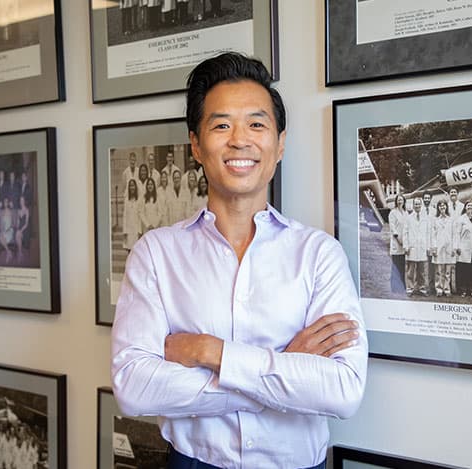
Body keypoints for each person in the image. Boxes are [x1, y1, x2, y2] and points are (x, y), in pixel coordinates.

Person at [111, 52, 366, 469]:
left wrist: (208, 351)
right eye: (221, 125)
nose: (240, 140)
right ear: (196, 145)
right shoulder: (156, 253)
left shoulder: (319, 254)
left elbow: (343, 390)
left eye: (257, 124)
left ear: (280, 144)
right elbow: (134, 388)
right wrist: (284, 369)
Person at [404, 197, 430, 296]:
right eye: (415, 204)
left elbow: (428, 233)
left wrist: (428, 247)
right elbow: (405, 232)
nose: (417, 206)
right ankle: (410, 288)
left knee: (422, 270)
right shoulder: (409, 218)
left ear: (421, 205)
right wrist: (406, 246)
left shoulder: (425, 218)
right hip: (412, 246)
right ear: (413, 205)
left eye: (419, 204)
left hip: (422, 247)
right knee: (411, 270)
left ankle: (422, 288)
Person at [454, 201, 472, 298]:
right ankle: (463, 290)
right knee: (463, 269)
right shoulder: (461, 219)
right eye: (468, 205)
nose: (470, 207)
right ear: (465, 207)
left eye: (471, 206)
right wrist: (457, 246)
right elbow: (457, 233)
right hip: (463, 247)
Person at [431, 200, 455, 296]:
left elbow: (454, 234)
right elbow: (433, 235)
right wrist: (434, 247)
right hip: (439, 247)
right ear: (438, 208)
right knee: (439, 271)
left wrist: (454, 247)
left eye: (444, 206)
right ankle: (439, 289)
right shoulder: (435, 220)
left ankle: (447, 289)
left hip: (449, 247)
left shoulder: (451, 220)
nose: (442, 207)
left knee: (448, 271)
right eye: (440, 206)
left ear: (446, 207)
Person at [387, 193, 407, 295]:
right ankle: (395, 287)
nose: (400, 202)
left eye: (401, 200)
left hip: (404, 243)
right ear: (396, 201)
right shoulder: (393, 213)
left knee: (402, 266)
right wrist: (399, 239)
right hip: (396, 242)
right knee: (395, 266)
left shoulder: (405, 213)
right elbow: (393, 228)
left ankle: (402, 286)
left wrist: (405, 241)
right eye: (398, 200)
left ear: (404, 201)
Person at [123, 179, 141, 250]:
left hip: (136, 229)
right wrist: (125, 231)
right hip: (129, 229)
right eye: (130, 186)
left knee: (136, 250)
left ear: (135, 187)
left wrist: (139, 231)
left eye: (133, 186)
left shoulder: (139, 200)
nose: (132, 187)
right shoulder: (126, 200)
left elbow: (140, 216)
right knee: (129, 250)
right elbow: (125, 216)